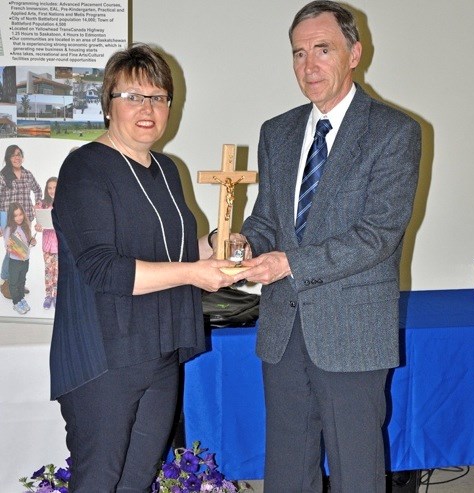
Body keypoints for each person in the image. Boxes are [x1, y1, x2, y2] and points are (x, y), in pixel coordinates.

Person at [234, 2, 422, 492]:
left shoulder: (395, 132)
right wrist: (239, 241)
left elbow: (378, 234)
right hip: (282, 328)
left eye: (323, 49)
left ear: (354, 53)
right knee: (287, 472)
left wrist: (288, 262)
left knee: (356, 473)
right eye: (298, 53)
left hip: (352, 332)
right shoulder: (276, 132)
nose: (308, 65)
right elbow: (267, 219)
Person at [50, 43, 236, 491]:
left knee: (137, 483)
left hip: (159, 352)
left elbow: (171, 250)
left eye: (158, 97)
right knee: (98, 482)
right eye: (133, 96)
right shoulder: (85, 168)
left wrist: (214, 247)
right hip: (105, 359)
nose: (147, 108)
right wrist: (194, 273)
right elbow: (104, 270)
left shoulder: (167, 169)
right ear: (108, 105)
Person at [0, 145, 42, 285]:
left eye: (18, 154)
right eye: (13, 155)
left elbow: (37, 190)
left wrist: (37, 205)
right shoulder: (3, 176)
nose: (16, 157)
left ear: (22, 157)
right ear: (8, 158)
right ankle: (5, 280)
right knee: (11, 251)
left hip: (25, 219)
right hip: (9, 219)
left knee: (23, 250)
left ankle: (17, 282)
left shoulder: (27, 174)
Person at [3, 202, 36, 314]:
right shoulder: (9, 228)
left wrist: (33, 241)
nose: (18, 218)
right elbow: (7, 247)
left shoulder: (25, 226)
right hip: (15, 261)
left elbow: (29, 241)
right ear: (11, 217)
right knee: (13, 282)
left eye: (20, 214)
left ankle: (21, 299)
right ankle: (16, 302)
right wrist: (9, 245)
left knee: (22, 280)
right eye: (15, 215)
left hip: (25, 260)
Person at [34, 177, 58, 309]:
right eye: (49, 187)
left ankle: (57, 296)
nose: (52, 190)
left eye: (55, 187)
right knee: (49, 271)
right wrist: (37, 227)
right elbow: (38, 225)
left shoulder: (65, 203)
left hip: (60, 245)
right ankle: (49, 296)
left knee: (59, 272)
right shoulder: (42, 204)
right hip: (47, 245)